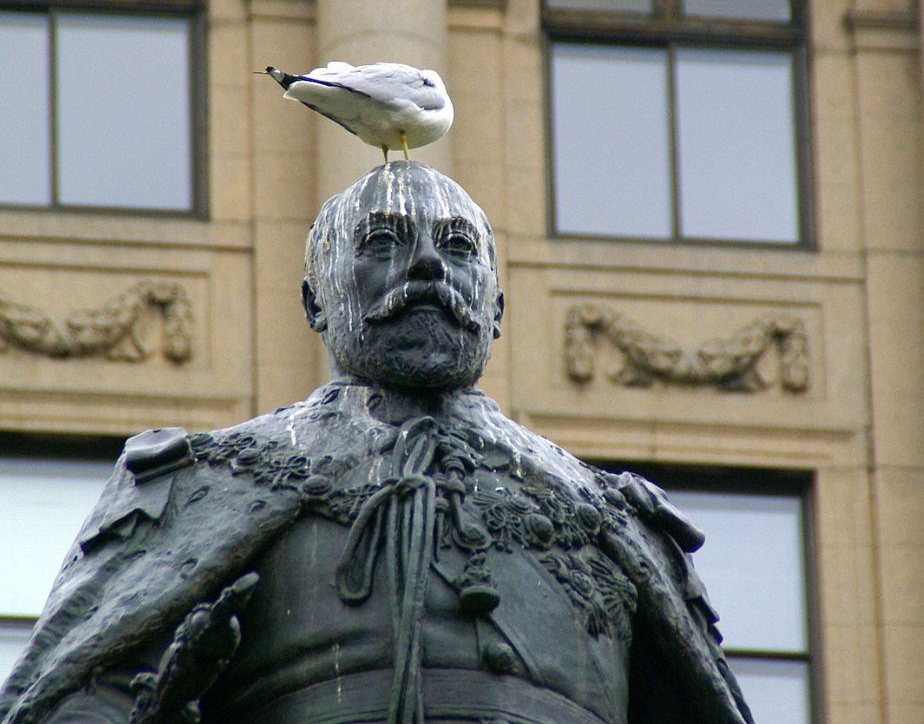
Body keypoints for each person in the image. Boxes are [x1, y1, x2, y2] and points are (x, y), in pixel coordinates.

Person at [0, 162, 753, 724]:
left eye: (458, 249)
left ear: (496, 308)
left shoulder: (614, 519)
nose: (427, 266)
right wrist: (166, 701)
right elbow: (62, 704)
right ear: (313, 300)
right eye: (384, 242)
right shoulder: (204, 481)